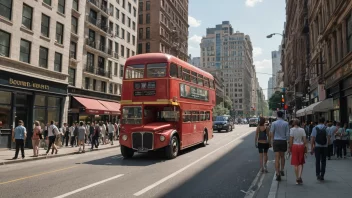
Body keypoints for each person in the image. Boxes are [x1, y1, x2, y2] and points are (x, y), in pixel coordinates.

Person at [270, 111, 290, 181]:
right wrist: (288, 142)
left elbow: (271, 132)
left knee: (277, 158)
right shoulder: (286, 123)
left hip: (276, 141)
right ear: (282, 116)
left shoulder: (274, 123)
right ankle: (282, 169)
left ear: (277, 115)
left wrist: (272, 141)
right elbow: (288, 134)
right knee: (282, 157)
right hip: (283, 141)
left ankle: (277, 173)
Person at [288, 119, 307, 185]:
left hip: (294, 146)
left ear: (294, 123)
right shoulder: (302, 130)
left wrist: (289, 148)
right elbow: (304, 140)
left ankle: (297, 178)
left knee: (295, 163)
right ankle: (299, 176)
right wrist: (305, 147)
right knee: (301, 163)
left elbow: (291, 140)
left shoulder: (292, 130)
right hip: (301, 146)